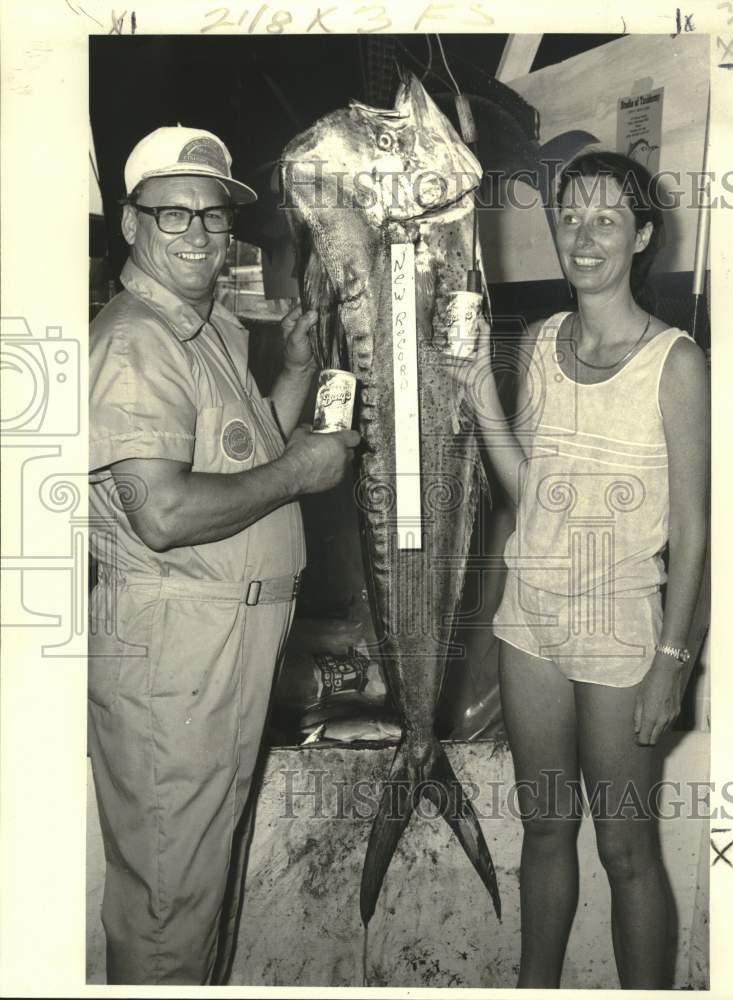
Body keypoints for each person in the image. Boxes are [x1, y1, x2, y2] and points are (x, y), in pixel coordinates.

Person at [88, 125, 360, 985]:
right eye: (174, 215)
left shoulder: (202, 331)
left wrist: (295, 378)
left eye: (213, 217)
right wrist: (300, 473)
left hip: (220, 650)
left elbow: (240, 454)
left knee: (203, 888)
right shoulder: (137, 342)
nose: (201, 234)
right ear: (130, 225)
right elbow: (164, 513)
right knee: (172, 901)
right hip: (176, 653)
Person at [456, 151, 709, 988]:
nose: (584, 235)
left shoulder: (675, 362)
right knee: (545, 829)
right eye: (570, 217)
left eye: (606, 219)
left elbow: (697, 531)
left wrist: (673, 662)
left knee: (626, 848)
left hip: (621, 628)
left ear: (641, 236)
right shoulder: (534, 344)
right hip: (529, 621)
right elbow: (528, 491)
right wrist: (481, 400)